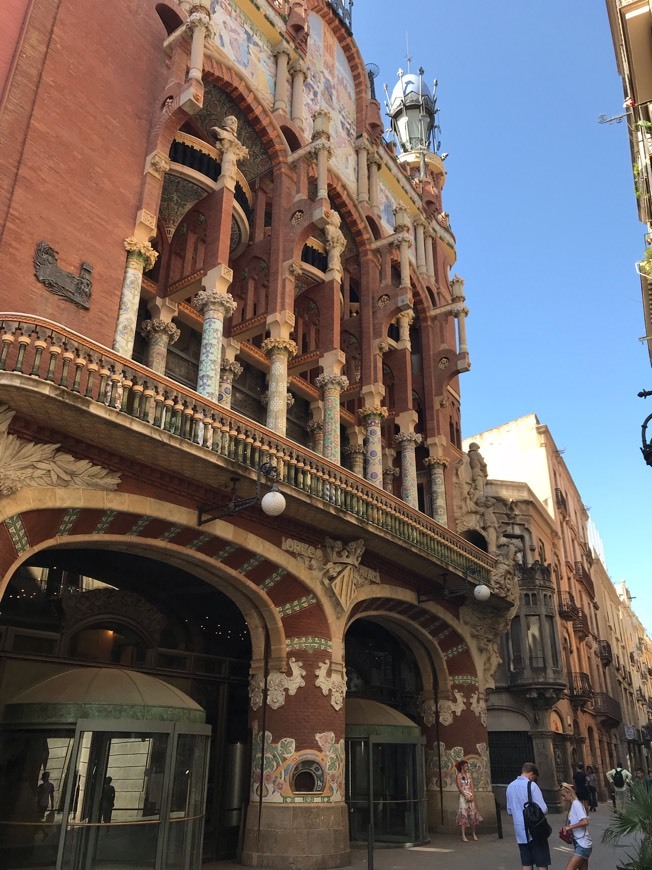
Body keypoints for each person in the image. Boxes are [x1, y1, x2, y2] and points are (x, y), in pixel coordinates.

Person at [506, 762, 550, 870]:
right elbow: (543, 809)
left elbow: (509, 811)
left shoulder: (510, 787)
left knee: (526, 863)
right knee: (541, 863)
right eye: (534, 778)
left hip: (520, 831)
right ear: (531, 774)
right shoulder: (532, 786)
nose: (533, 780)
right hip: (536, 830)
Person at [560, 782, 592, 869]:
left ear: (570, 793)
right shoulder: (573, 805)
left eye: (564, 795)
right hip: (580, 842)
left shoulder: (576, 804)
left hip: (583, 844)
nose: (563, 798)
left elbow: (585, 822)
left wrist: (569, 827)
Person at [454, 759, 482, 842]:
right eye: (466, 766)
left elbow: (472, 785)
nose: (467, 767)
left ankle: (473, 833)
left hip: (470, 795)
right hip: (463, 796)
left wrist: (472, 795)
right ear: (462, 767)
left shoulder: (469, 775)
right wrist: (465, 795)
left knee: (472, 814)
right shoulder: (459, 776)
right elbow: (459, 787)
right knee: (463, 814)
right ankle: (463, 835)